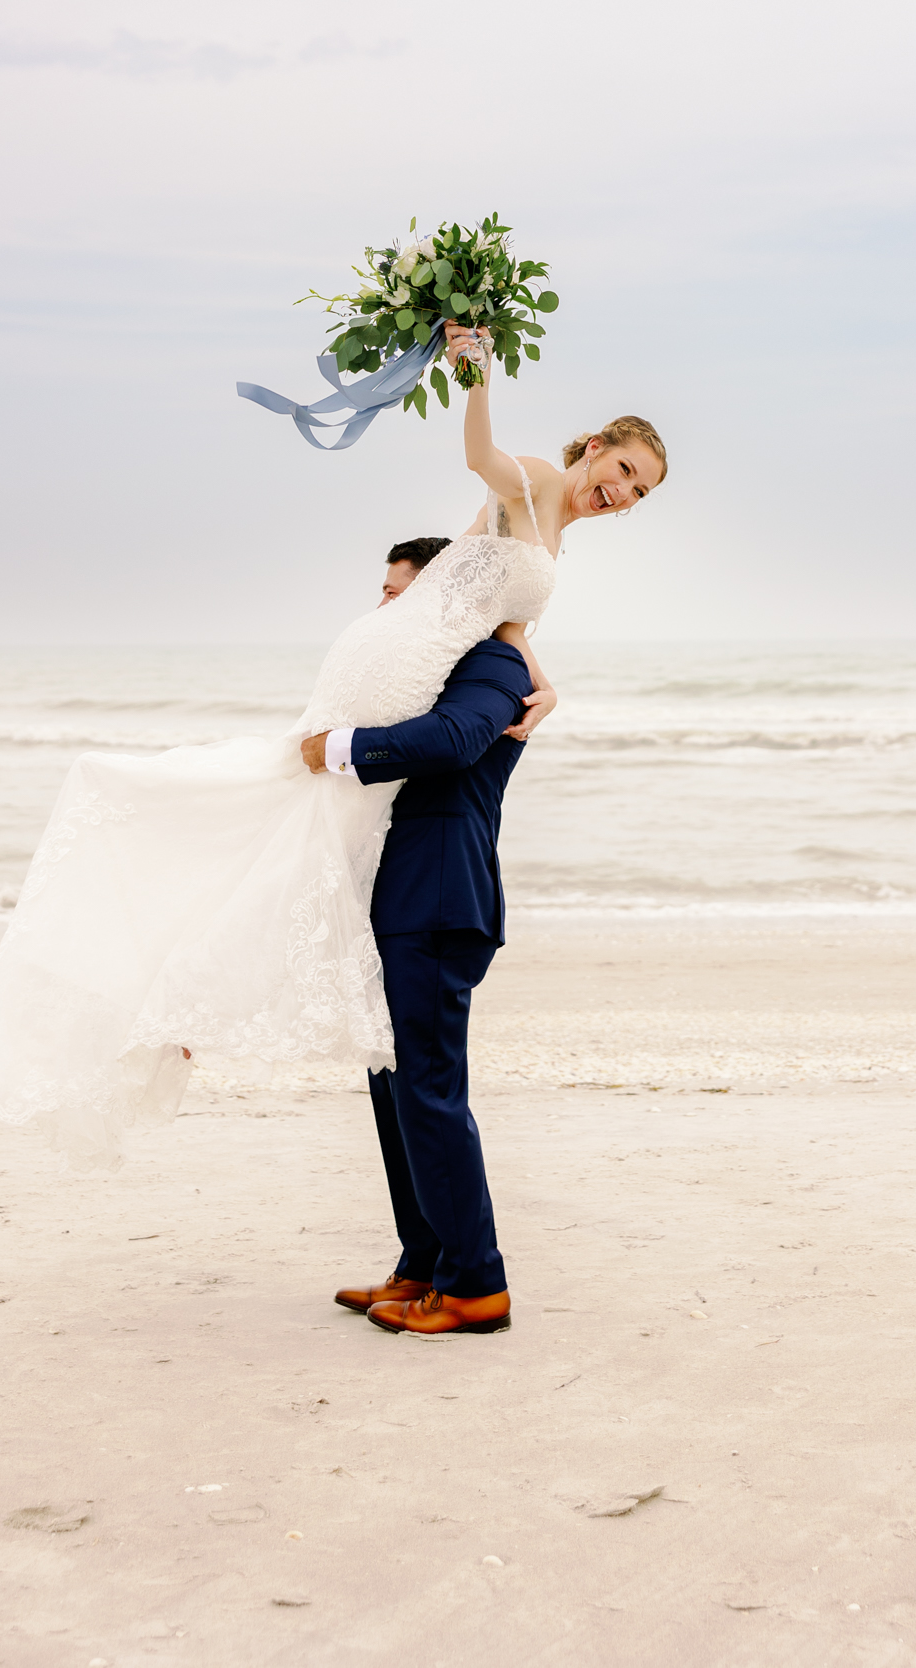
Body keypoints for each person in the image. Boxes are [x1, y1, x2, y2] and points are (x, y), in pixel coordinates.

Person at [0, 319, 666, 1167]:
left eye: (640, 493)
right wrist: (477, 377)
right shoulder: (534, 481)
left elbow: (506, 622)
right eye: (624, 472)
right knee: (310, 815)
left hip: (419, 652)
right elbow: (480, 460)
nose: (624, 493)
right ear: (598, 448)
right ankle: (181, 994)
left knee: (312, 834)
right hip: (399, 655)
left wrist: (543, 681)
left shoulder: (556, 539)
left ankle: (182, 995)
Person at [297, 543, 538, 1337]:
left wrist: (338, 748)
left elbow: (456, 739)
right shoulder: (433, 665)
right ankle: (424, 1265)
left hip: (438, 897)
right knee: (393, 1086)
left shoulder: (494, 665)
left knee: (429, 1091)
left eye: (401, 593)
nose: (386, 610)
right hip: (395, 897)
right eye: (384, 593)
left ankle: (476, 1285)